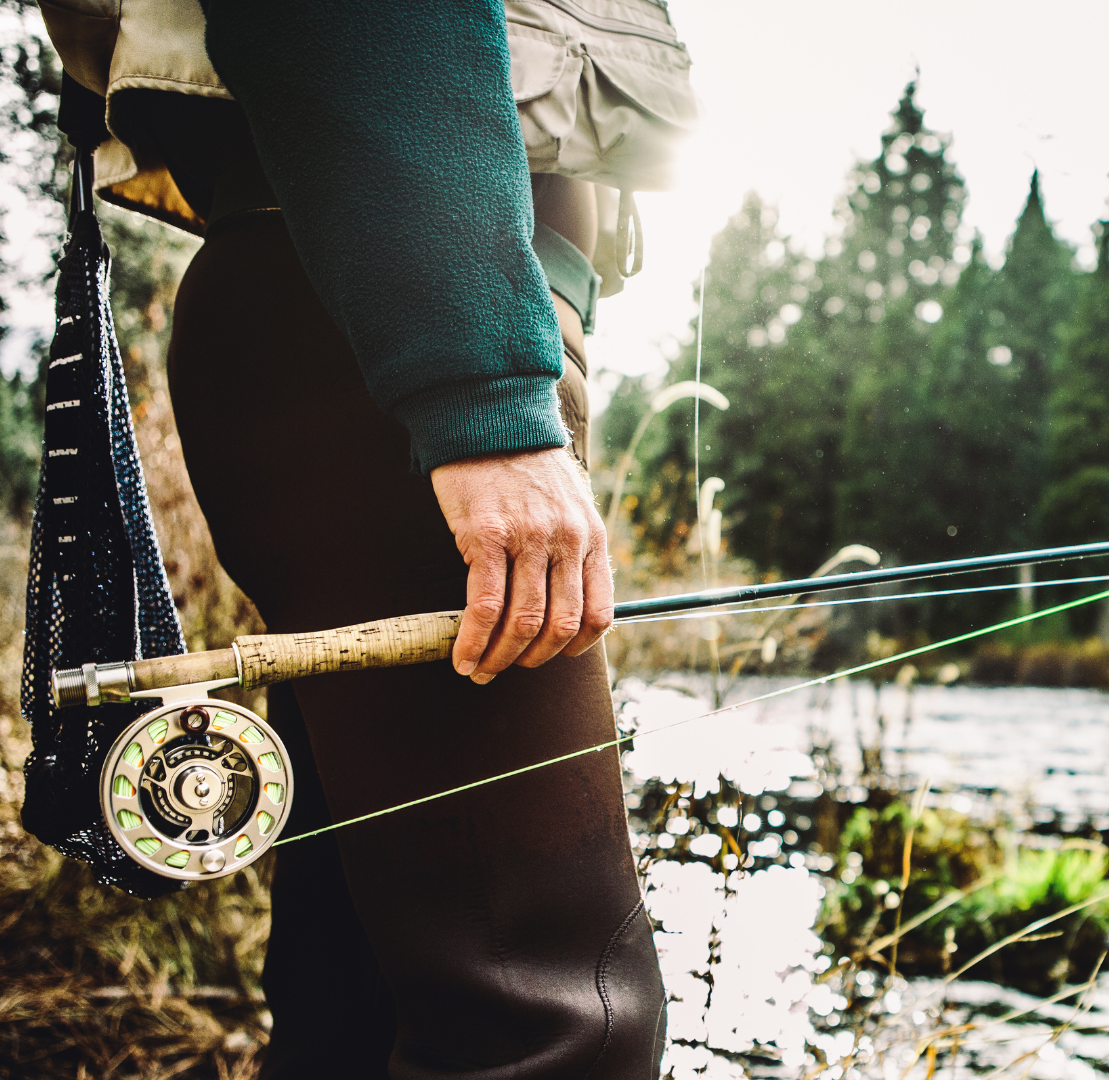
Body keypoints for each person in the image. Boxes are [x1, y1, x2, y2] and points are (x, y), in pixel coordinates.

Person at [41, 1, 695, 1075]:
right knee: (552, 1026)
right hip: (395, 354)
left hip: (379, 336)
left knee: (359, 1001)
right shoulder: (448, 387)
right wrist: (481, 398)